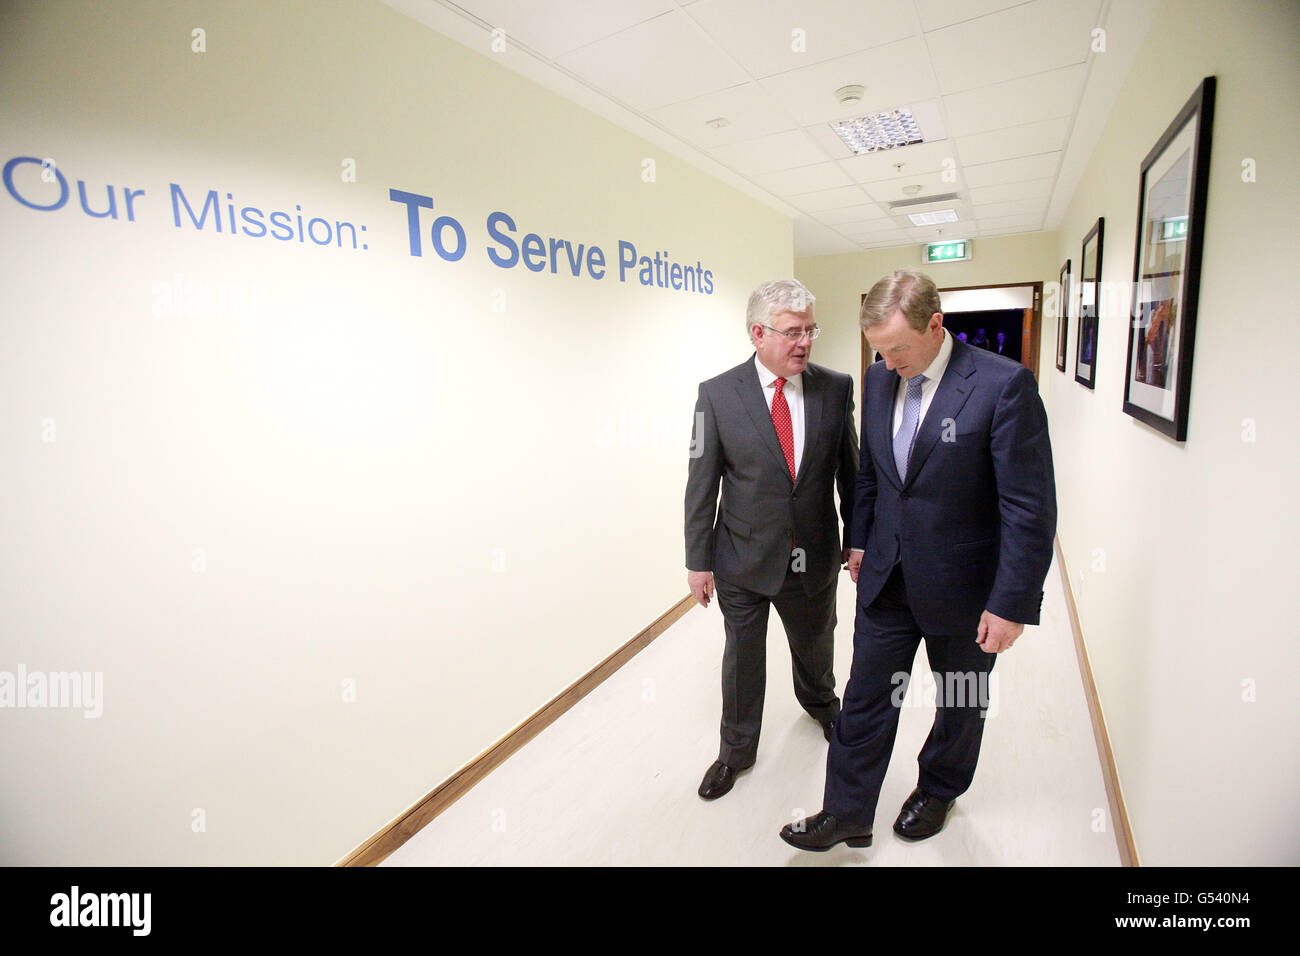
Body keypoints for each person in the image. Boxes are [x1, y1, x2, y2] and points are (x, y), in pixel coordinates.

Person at [780, 269, 1056, 850]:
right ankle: (847, 811)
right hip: (887, 576)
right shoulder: (880, 381)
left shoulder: (1002, 386)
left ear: (936, 325)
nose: (889, 361)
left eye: (898, 348)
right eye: (879, 350)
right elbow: (875, 477)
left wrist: (1011, 604)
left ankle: (939, 787)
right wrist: (860, 540)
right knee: (865, 696)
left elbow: (1029, 510)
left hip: (966, 586)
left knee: (959, 696)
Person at [685, 278, 859, 800]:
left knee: (815, 642)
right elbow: (701, 480)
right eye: (792, 332)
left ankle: (823, 705)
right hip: (741, 556)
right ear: (758, 333)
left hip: (815, 554)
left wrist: (859, 539)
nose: (804, 342)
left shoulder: (835, 387)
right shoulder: (717, 395)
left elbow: (850, 473)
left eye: (810, 330)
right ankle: (735, 752)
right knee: (742, 657)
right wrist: (698, 560)